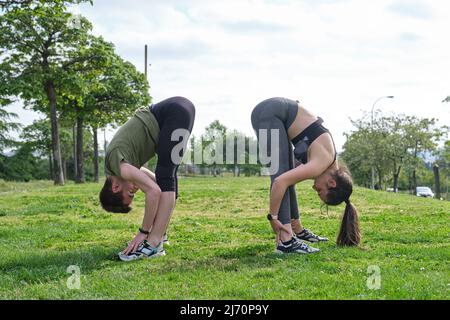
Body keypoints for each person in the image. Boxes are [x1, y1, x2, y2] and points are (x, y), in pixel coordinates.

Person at [251, 97, 360, 254]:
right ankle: (286, 241)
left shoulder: (328, 161)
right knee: (281, 176)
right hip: (270, 113)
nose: (314, 187)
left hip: (272, 112)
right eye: (319, 191)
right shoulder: (320, 164)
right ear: (332, 183)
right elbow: (280, 182)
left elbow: (288, 180)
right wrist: (273, 218)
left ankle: (294, 230)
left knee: (287, 176)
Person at [99, 96, 195, 261]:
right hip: (179, 108)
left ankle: (153, 244)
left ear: (115, 188)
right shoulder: (117, 165)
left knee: (166, 175)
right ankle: (160, 233)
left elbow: (154, 191)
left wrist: (143, 232)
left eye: (129, 194)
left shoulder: (120, 168)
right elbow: (160, 186)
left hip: (173, 113)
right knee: (167, 178)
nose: (133, 192)